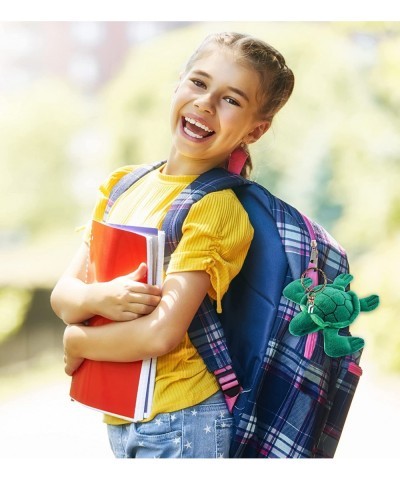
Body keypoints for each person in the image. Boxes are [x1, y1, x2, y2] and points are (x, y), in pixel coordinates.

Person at [50, 31, 295, 458]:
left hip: (183, 421)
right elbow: (65, 297)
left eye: (231, 99)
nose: (205, 103)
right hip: (123, 418)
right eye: (198, 83)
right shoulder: (123, 185)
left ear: (256, 130)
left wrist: (78, 342)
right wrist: (97, 297)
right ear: (177, 85)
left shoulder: (217, 208)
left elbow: (162, 332)